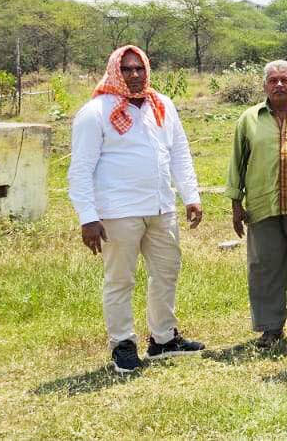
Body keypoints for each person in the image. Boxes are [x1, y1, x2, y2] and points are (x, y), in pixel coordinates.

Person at [68, 45, 206, 373]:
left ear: (147, 70)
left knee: (166, 272)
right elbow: (80, 169)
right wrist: (88, 217)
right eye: (127, 68)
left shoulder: (162, 105)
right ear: (115, 70)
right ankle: (122, 344)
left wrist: (191, 195)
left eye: (139, 68)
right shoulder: (96, 111)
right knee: (120, 279)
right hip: (118, 211)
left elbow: (179, 153)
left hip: (161, 207)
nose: (134, 74)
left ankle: (163, 339)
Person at [225, 59, 287, 349]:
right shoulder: (249, 119)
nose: (279, 85)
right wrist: (236, 204)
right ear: (264, 85)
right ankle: (270, 327)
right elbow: (238, 162)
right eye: (273, 80)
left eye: (285, 80)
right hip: (262, 205)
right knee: (264, 266)